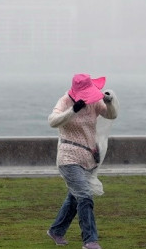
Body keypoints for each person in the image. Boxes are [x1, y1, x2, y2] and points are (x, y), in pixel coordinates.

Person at [46, 73, 119, 249]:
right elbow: (52, 121)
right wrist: (73, 110)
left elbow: (111, 116)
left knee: (74, 198)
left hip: (87, 158)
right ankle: (90, 240)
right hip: (68, 157)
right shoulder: (65, 100)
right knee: (85, 196)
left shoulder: (94, 101)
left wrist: (109, 102)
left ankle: (56, 230)